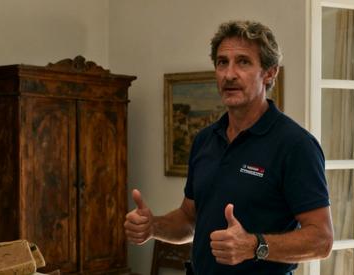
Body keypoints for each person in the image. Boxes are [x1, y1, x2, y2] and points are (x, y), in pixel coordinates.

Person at [124, 20, 333, 274]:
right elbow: (189, 220)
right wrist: (153, 227)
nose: (229, 74)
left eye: (243, 62)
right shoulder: (204, 140)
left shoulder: (296, 145)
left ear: (269, 73)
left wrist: (254, 246)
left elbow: (321, 240)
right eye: (222, 62)